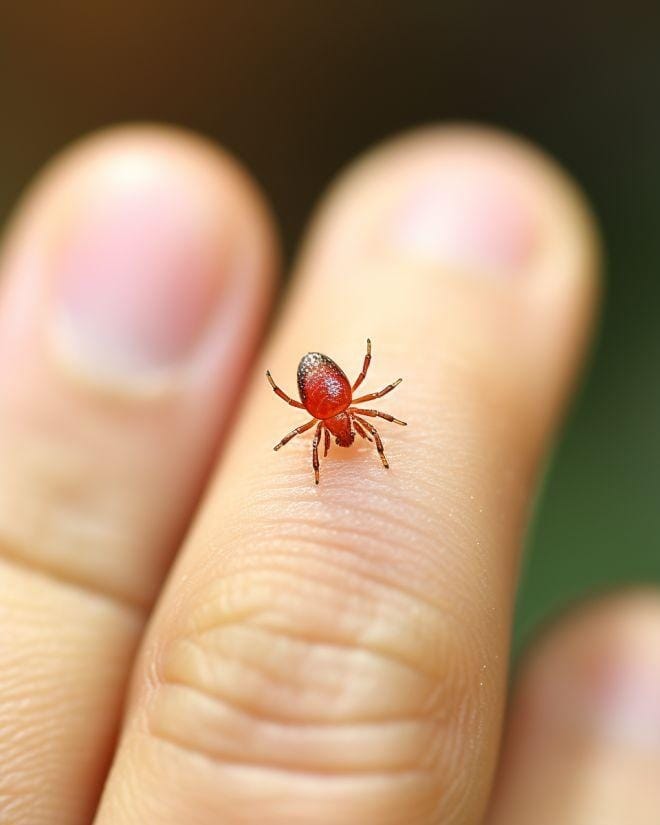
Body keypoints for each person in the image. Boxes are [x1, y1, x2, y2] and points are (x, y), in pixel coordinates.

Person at [0, 122, 654, 825]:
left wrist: (348, 420)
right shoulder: (326, 410)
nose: (344, 433)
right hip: (325, 374)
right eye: (339, 430)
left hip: (326, 376)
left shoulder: (340, 411)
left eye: (342, 428)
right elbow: (317, 401)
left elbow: (332, 401)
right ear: (329, 414)